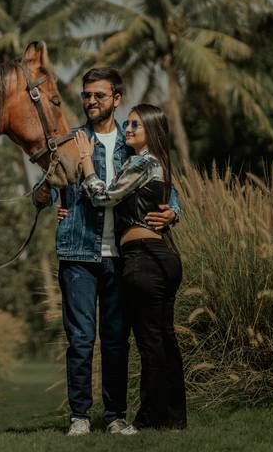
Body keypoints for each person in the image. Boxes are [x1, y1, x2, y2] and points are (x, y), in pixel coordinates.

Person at [32, 67, 180, 436]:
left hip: (124, 257)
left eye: (99, 95)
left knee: (116, 340)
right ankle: (80, 416)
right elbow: (47, 190)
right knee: (81, 339)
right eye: (86, 95)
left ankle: (115, 416)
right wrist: (49, 196)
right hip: (78, 252)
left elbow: (164, 184)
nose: (91, 101)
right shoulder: (72, 140)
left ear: (116, 98)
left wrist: (174, 211)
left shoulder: (133, 142)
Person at [76, 103, 187, 431]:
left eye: (137, 125)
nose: (129, 129)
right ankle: (175, 418)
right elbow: (172, 195)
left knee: (150, 341)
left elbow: (104, 197)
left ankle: (149, 419)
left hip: (144, 258)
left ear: (152, 130)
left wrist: (86, 166)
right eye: (129, 124)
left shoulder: (141, 162)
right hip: (163, 257)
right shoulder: (157, 163)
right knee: (165, 340)